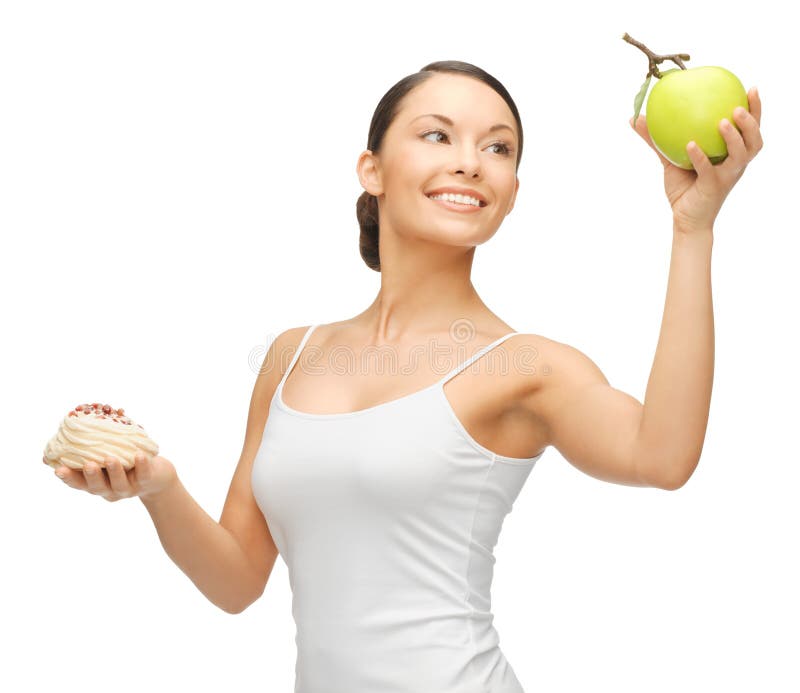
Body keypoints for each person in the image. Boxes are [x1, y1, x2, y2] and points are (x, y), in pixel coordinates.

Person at [51, 59, 763, 692]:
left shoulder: (527, 367)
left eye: (498, 147)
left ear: (512, 190)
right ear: (372, 169)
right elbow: (237, 580)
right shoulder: (291, 356)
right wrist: (159, 487)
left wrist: (692, 229)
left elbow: (663, 457)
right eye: (437, 135)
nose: (471, 162)